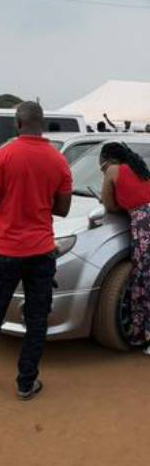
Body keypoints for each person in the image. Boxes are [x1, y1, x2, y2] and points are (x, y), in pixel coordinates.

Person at [0, 102, 72, 401]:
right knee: (36, 319)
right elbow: (63, 209)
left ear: (18, 123)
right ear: (42, 123)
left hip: (6, 248)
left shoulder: (7, 153)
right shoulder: (59, 160)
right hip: (42, 250)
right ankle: (26, 382)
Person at [99, 142, 150, 351]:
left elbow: (108, 204)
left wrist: (122, 205)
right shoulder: (138, 169)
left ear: (107, 159)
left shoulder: (112, 170)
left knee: (144, 280)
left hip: (144, 223)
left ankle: (144, 336)